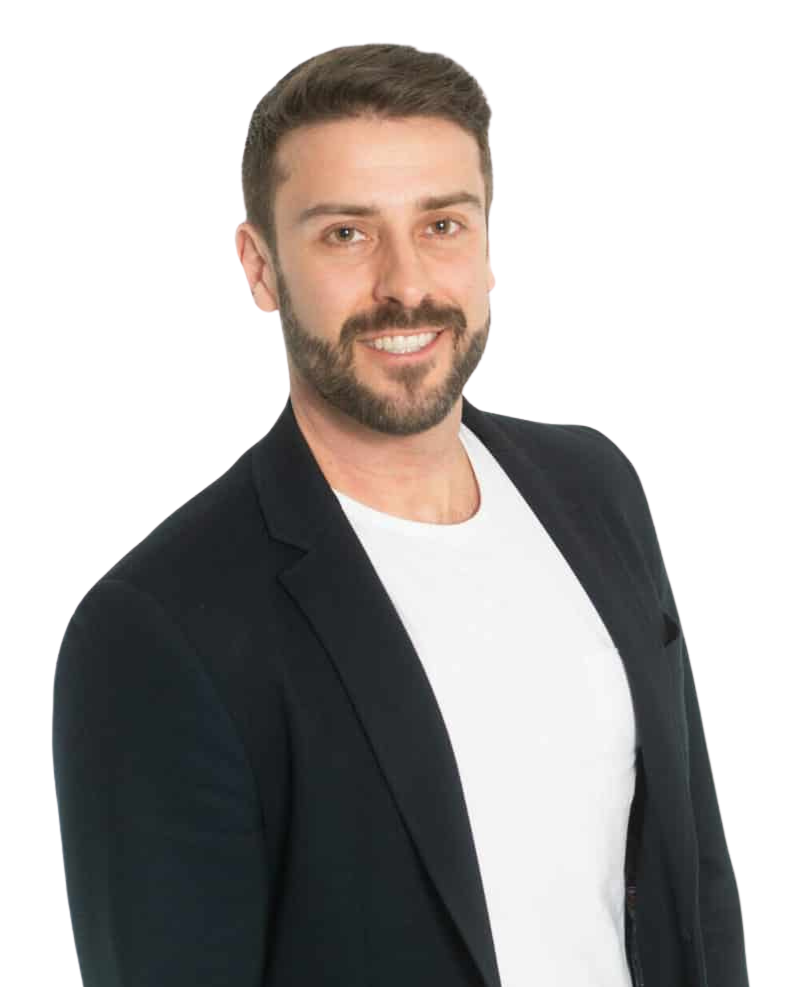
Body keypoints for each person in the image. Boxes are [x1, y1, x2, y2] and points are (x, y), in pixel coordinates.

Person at [52, 42, 750, 987]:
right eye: (346, 233)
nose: (405, 283)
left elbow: (693, 878)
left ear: (489, 245)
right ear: (261, 268)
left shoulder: (595, 489)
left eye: (443, 225)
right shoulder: (158, 627)